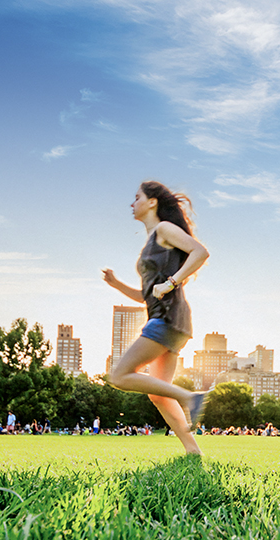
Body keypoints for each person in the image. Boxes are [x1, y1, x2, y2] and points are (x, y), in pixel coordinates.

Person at [104, 181, 210, 455]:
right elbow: (146, 296)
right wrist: (117, 285)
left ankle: (189, 397)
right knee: (158, 394)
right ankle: (193, 451)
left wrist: (172, 282)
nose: (132, 203)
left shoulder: (164, 229)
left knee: (119, 375)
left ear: (152, 202)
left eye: (137, 197)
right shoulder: (152, 240)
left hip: (167, 317)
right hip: (170, 318)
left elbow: (200, 252)